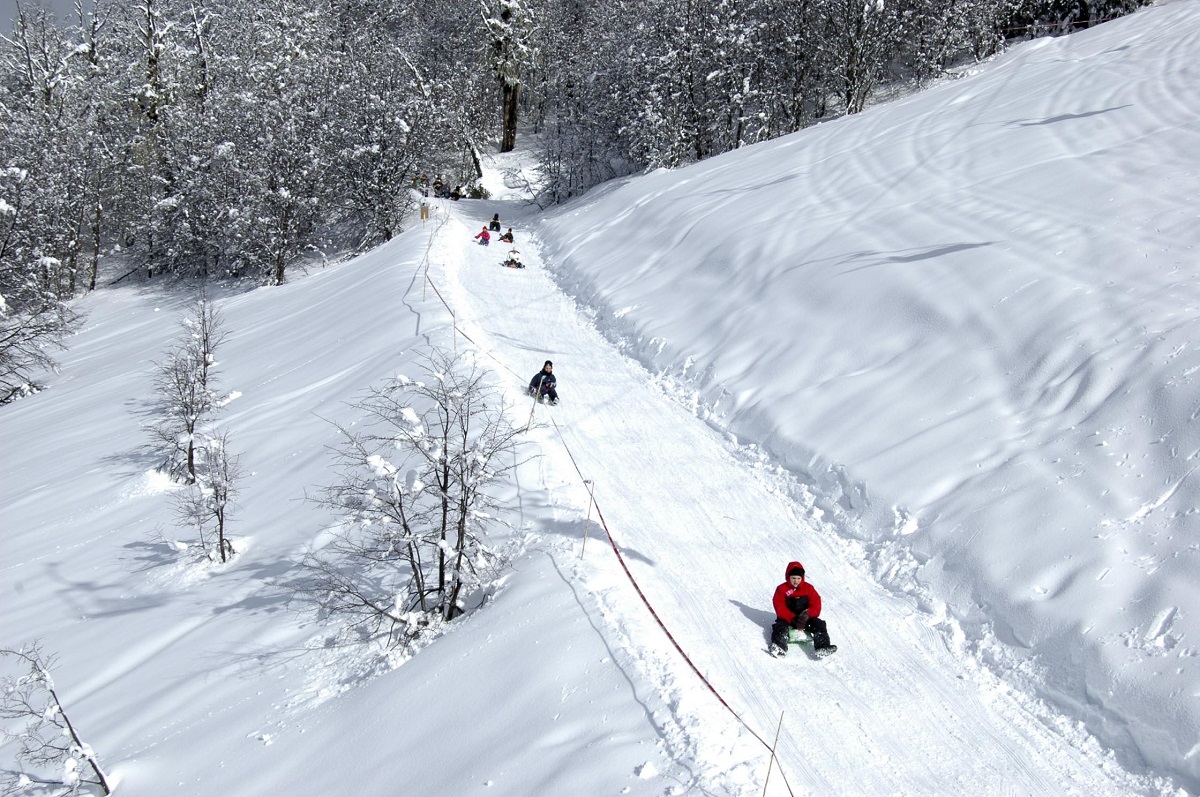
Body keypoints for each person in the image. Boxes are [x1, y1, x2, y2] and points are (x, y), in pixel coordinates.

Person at [770, 561, 836, 657]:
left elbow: (816, 603)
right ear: (788, 577)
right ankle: (779, 647)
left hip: (805, 619)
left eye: (798, 578)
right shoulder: (782, 589)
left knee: (819, 624)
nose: (796, 581)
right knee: (780, 627)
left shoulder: (808, 588)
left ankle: (822, 646)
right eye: (793, 578)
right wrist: (791, 617)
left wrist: (807, 615)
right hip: (788, 619)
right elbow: (779, 605)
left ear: (802, 578)